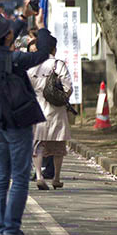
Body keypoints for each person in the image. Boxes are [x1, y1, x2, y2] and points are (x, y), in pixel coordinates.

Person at [0, 10, 55, 235]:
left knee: (0, 176)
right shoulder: (16, 59)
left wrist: (24, 17)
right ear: (8, 37)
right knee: (20, 176)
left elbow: (5, 35)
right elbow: (42, 53)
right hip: (16, 120)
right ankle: (11, 228)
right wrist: (41, 26)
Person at [27, 46, 72, 190]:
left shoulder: (32, 65)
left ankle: (39, 176)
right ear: (54, 49)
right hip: (56, 109)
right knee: (58, 144)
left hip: (38, 107)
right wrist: (62, 97)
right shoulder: (58, 64)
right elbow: (68, 87)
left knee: (38, 144)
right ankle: (56, 178)